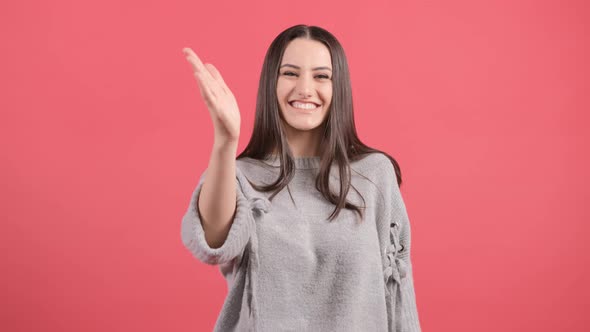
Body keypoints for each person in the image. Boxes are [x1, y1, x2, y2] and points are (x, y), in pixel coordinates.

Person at [180, 24, 422, 332]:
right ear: (271, 83)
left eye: (321, 76)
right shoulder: (239, 176)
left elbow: (399, 297)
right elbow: (214, 243)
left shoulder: (374, 175)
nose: (305, 89)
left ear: (339, 88)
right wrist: (226, 139)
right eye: (290, 73)